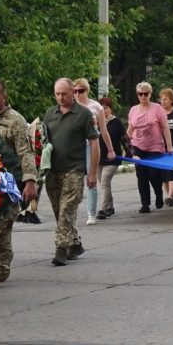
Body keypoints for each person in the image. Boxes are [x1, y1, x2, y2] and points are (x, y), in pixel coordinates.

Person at [0, 78, 37, 288]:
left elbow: (25, 152)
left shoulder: (15, 121)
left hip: (7, 185)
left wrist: (30, 180)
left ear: (4, 97)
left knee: (0, 228)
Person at [41, 77, 100, 265]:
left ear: (72, 92)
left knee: (67, 210)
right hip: (53, 170)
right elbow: (42, 142)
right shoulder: (50, 114)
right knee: (59, 212)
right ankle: (75, 244)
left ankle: (61, 249)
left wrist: (92, 173)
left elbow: (94, 144)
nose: (60, 97)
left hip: (74, 170)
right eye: (57, 94)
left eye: (64, 94)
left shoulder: (83, 115)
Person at [71, 79, 115, 225]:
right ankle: (71, 212)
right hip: (74, 146)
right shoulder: (70, 106)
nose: (77, 94)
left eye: (81, 91)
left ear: (87, 91)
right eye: (75, 91)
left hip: (91, 145)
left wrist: (110, 150)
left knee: (91, 179)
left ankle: (91, 214)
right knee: (73, 180)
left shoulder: (95, 106)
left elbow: (103, 130)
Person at [127, 81, 171, 212]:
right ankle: (145, 204)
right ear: (137, 95)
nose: (143, 96)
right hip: (138, 146)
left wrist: (169, 146)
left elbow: (165, 128)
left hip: (155, 147)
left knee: (154, 175)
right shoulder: (133, 110)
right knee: (141, 176)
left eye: (146, 94)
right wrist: (127, 147)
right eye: (140, 94)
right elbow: (130, 129)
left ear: (150, 94)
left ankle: (159, 195)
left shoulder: (157, 108)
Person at [95, 95, 126, 221]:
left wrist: (132, 153)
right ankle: (110, 207)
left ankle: (102, 209)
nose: (104, 110)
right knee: (103, 184)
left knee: (105, 181)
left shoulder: (116, 122)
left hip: (113, 157)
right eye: (101, 108)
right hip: (98, 158)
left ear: (111, 109)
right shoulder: (95, 122)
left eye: (106, 107)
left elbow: (125, 139)